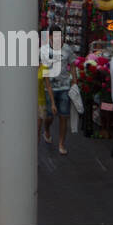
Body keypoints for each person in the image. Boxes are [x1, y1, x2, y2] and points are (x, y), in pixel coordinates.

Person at [42, 26, 75, 155]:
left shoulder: (67, 49)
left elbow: (72, 64)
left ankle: (61, 143)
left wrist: (74, 82)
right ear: (49, 37)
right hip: (49, 88)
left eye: (61, 37)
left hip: (64, 87)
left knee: (63, 116)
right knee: (49, 116)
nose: (59, 39)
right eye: (56, 37)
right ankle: (47, 129)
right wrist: (52, 99)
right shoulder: (44, 51)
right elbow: (45, 75)